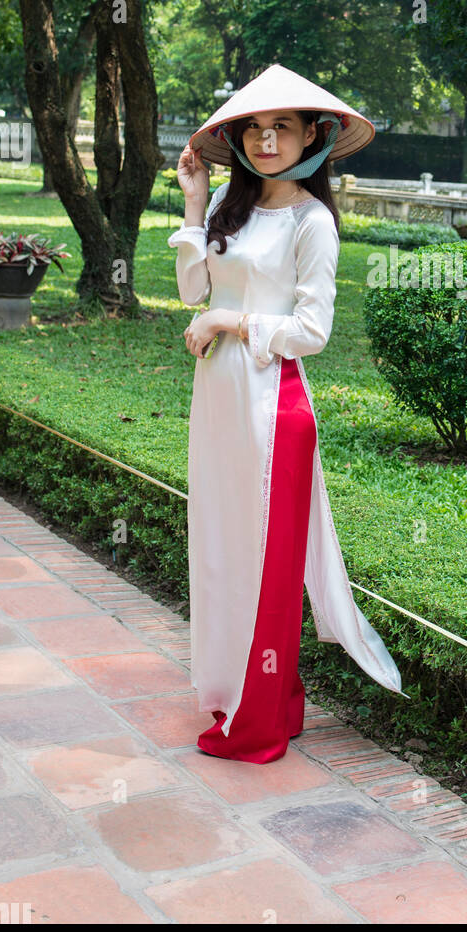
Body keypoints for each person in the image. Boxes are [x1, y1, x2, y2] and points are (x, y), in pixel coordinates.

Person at [169, 63, 406, 765]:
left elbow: (311, 333)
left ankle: (260, 723)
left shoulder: (312, 222)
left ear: (312, 136)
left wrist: (231, 320)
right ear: (238, 139)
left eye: (281, 128)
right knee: (219, 552)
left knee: (266, 566)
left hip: (274, 407)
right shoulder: (227, 213)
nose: (266, 139)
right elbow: (189, 291)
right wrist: (192, 204)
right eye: (254, 128)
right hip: (218, 401)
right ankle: (269, 698)